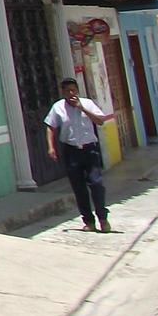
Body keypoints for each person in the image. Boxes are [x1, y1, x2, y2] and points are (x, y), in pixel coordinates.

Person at [44, 77, 112, 232]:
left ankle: (103, 218)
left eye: (73, 90)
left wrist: (82, 109)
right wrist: (51, 147)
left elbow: (100, 121)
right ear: (63, 92)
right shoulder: (58, 108)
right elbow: (50, 126)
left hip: (90, 149)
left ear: (77, 91)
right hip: (71, 151)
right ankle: (89, 221)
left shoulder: (87, 103)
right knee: (79, 188)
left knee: (96, 184)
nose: (71, 93)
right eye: (67, 91)